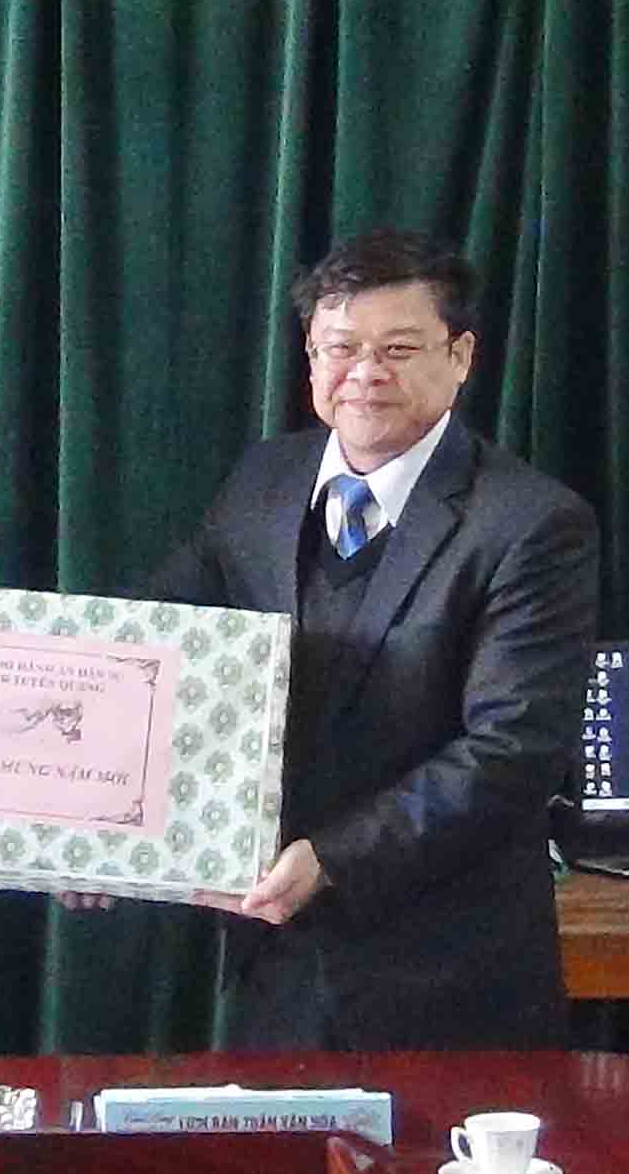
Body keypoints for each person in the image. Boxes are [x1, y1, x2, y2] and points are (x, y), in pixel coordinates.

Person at [139, 229, 599, 1049]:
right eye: (341, 347)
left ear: (460, 357)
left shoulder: (531, 524)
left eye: (399, 349)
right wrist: (95, 817)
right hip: (273, 962)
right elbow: (161, 644)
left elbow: (514, 749)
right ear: (311, 357)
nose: (365, 373)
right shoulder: (263, 481)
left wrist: (333, 859)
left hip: (447, 982)